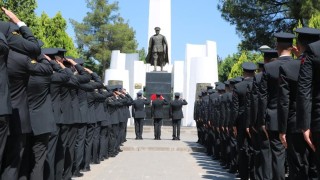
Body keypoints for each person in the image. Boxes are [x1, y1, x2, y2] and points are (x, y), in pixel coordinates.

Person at [258, 32, 295, 180]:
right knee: (296, 156)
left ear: (277, 47)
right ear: (292, 47)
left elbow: (263, 96)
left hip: (274, 117)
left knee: (277, 157)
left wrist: (262, 120)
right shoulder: (299, 64)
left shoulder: (269, 68)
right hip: (295, 117)